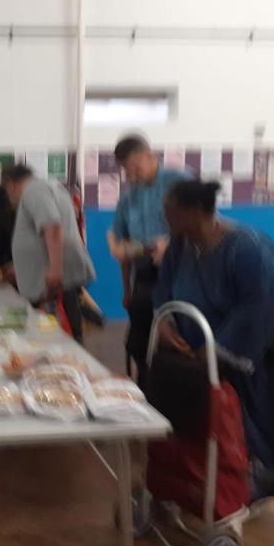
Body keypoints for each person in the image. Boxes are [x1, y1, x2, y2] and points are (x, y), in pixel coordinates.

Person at [154, 179, 274, 506]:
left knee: (252, 429)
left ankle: (252, 484)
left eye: (170, 210)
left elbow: (260, 306)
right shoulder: (180, 245)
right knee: (207, 428)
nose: (164, 217)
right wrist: (164, 321)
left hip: (250, 366)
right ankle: (209, 479)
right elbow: (164, 289)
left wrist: (219, 349)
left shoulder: (248, 248)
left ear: (195, 211)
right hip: (197, 363)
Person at [108, 135, 189, 390]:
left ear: (149, 156)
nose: (131, 176)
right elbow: (120, 240)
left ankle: (173, 397)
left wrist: (172, 243)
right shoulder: (129, 197)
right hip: (144, 277)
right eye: (126, 171)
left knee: (175, 343)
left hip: (181, 274)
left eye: (135, 168)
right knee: (139, 343)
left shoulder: (180, 182)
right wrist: (127, 290)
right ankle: (145, 391)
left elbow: (204, 227)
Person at [1, 165, 95, 343]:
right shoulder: (46, 188)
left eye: (6, 190)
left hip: (54, 284)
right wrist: (20, 267)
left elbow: (52, 226)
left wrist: (56, 269)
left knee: (57, 337)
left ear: (10, 184)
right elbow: (41, 239)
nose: (9, 196)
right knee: (57, 335)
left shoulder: (33, 191)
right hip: (54, 280)